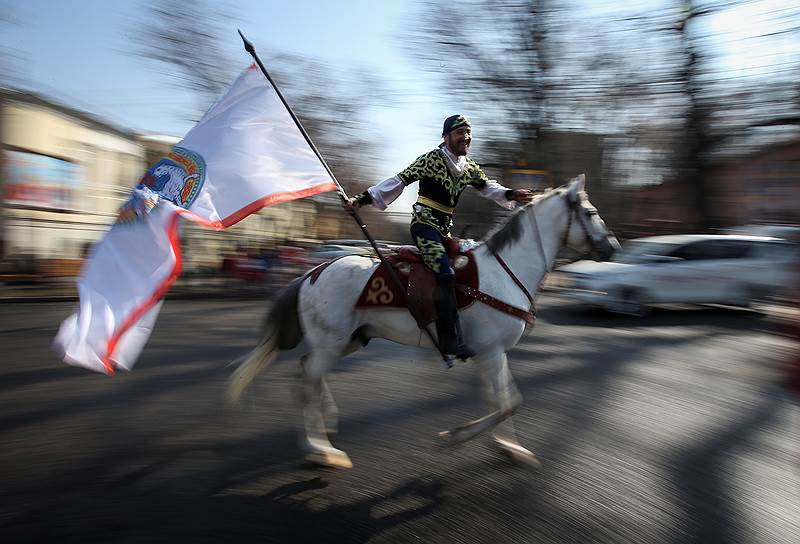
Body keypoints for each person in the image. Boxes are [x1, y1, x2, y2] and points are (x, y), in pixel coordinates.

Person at [345, 114, 533, 361]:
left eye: (468, 132)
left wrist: (512, 194)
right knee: (445, 274)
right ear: (446, 137)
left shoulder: (469, 167)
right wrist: (360, 200)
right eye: (459, 133)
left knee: (473, 265)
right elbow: (399, 181)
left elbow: (488, 187)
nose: (466, 137)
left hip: (444, 231)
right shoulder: (430, 160)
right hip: (424, 226)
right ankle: (449, 340)